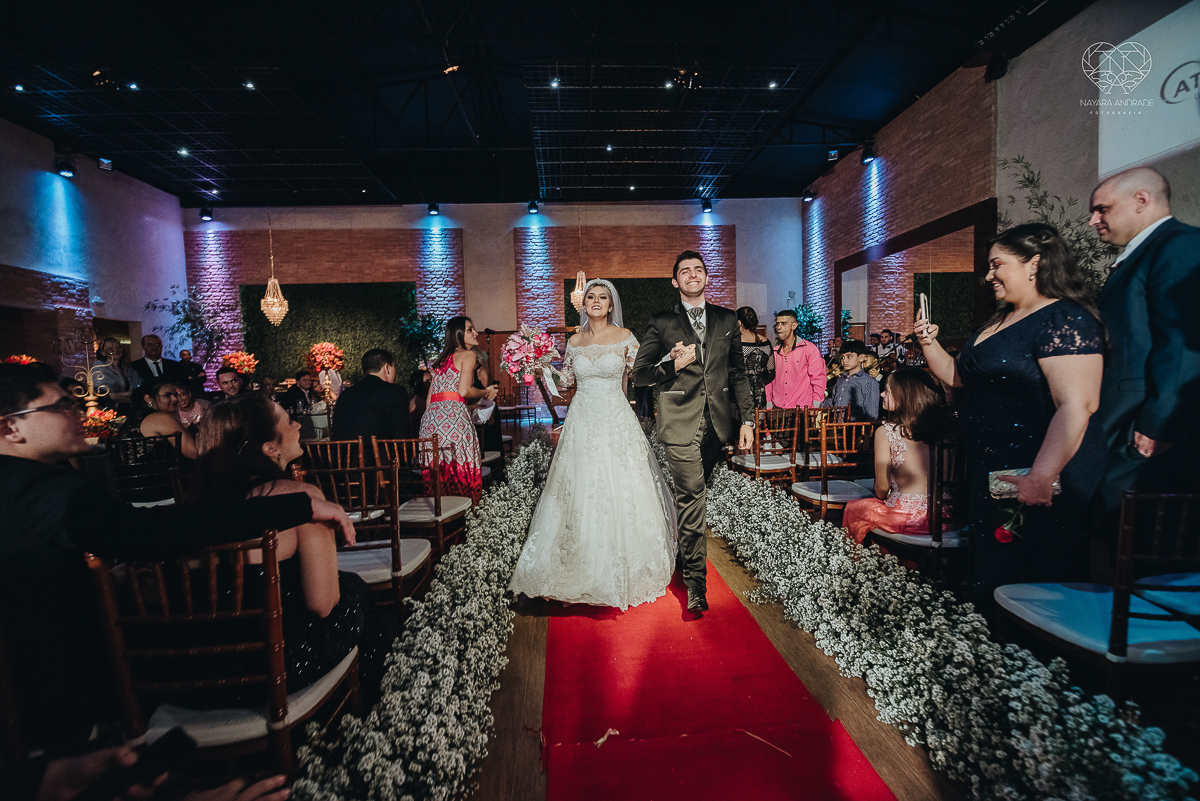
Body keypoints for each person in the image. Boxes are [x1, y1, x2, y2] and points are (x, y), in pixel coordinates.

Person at [0, 363, 354, 752]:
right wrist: (295, 507)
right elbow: (151, 533)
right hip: (49, 695)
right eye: (63, 404)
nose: (80, 411)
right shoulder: (38, 489)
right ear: (10, 427)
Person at [913, 222, 1105, 614]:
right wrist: (928, 343)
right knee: (994, 572)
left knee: (1030, 580)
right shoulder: (999, 320)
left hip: (1036, 472)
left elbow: (1077, 405)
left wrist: (1040, 476)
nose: (989, 276)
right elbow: (957, 376)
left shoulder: (1063, 320)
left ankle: (1034, 667)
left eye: (996, 265)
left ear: (1034, 263)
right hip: (993, 470)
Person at [187, 394, 386, 695]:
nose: (297, 425)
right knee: (355, 592)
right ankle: (368, 708)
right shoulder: (299, 497)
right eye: (288, 421)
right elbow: (322, 605)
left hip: (202, 672)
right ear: (269, 448)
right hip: (279, 665)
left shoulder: (192, 507)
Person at [510, 279, 677, 610]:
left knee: (622, 489)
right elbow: (567, 382)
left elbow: (643, 374)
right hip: (582, 422)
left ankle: (624, 568)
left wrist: (670, 359)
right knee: (579, 488)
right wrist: (537, 366)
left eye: (603, 297)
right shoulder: (573, 341)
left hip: (616, 422)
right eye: (591, 297)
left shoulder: (625, 338)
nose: (597, 301)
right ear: (583, 304)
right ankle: (574, 566)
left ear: (611, 305)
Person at [632, 251, 754, 614]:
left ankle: (686, 553)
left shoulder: (727, 319)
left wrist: (746, 419)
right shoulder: (660, 322)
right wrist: (672, 364)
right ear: (675, 281)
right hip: (678, 420)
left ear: (706, 277)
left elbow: (737, 374)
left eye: (698, 270)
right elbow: (640, 375)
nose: (692, 275)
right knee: (691, 495)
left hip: (718, 425)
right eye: (685, 271)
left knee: (698, 494)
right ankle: (697, 587)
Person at [1088, 167, 1200, 517]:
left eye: (1102, 208)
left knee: (1143, 552)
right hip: (1124, 426)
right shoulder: (1144, 253)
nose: (1093, 220)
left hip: (1148, 433)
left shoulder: (1179, 245)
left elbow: (1183, 341)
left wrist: (1158, 425)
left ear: (1141, 200)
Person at [842, 368, 942, 543]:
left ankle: (872, 566)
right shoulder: (946, 432)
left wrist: (889, 495)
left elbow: (881, 489)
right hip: (943, 519)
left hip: (905, 518)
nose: (881, 394)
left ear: (904, 395)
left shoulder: (886, 432)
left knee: (854, 509)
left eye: (887, 390)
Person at [419, 317, 498, 503]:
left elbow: (429, 401)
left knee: (439, 469)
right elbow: (463, 390)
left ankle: (442, 512)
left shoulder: (440, 360)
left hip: (430, 421)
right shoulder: (468, 355)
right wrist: (486, 392)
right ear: (459, 334)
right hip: (453, 418)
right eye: (470, 330)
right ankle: (464, 514)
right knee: (460, 467)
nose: (475, 333)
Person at [330, 349, 410, 442]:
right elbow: (400, 433)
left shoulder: (345, 394)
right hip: (379, 454)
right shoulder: (395, 392)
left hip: (346, 454)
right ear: (387, 368)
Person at [118, 379, 199, 461]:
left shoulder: (133, 418)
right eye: (167, 395)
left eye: (175, 395)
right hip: (156, 472)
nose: (175, 399)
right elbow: (194, 452)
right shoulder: (161, 418)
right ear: (148, 398)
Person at [764, 309, 825, 410]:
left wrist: (815, 406)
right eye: (778, 324)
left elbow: (819, 379)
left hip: (802, 409)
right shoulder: (774, 352)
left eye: (784, 324)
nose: (779, 328)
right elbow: (768, 380)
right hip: (777, 409)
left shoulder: (809, 349)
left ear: (794, 326)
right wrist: (769, 404)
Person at [822, 340, 880, 421]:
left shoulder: (869, 381)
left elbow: (871, 413)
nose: (844, 360)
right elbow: (834, 401)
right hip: (838, 427)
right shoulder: (840, 380)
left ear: (861, 358)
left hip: (855, 429)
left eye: (849, 356)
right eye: (842, 357)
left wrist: (866, 431)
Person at [737, 306, 775, 409]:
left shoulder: (735, 343)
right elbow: (771, 373)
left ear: (739, 323)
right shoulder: (766, 342)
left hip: (739, 395)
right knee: (758, 423)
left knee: (740, 424)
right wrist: (758, 381)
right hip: (759, 395)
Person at [91, 337, 138, 413]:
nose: (116, 350)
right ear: (103, 352)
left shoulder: (128, 368)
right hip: (111, 411)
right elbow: (105, 394)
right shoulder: (100, 367)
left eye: (118, 347)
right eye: (110, 348)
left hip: (131, 409)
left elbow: (138, 388)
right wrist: (129, 397)